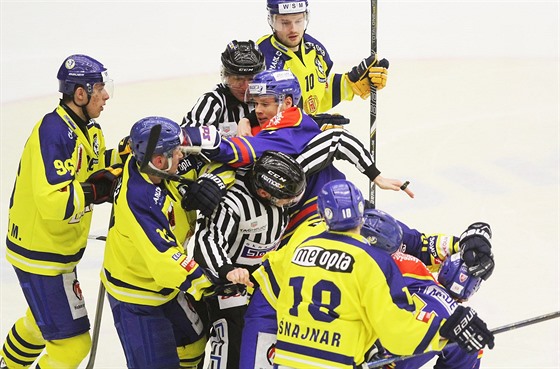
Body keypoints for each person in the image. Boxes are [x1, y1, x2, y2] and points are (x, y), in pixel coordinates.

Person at [246, 179, 494, 368]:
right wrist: (444, 330)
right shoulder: (372, 262)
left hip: (287, 354)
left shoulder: (303, 238)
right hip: (338, 361)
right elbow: (398, 331)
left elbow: (262, 285)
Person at [1, 54, 121, 369]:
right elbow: (55, 200)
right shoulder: (53, 132)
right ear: (80, 93)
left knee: (39, 322)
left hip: (56, 248)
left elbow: (91, 170)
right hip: (40, 251)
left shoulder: (89, 131)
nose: (106, 94)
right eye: (99, 88)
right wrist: (96, 191)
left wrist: (123, 154)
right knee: (72, 346)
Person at [100, 116, 236, 369]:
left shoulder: (154, 164)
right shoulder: (140, 201)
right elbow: (166, 260)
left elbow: (223, 161)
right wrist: (211, 285)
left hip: (168, 288)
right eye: (176, 152)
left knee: (194, 345)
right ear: (159, 160)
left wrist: (213, 182)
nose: (182, 156)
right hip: (137, 296)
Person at [194, 150, 306, 369]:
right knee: (229, 351)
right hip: (223, 287)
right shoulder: (232, 203)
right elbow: (207, 239)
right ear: (264, 193)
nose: (291, 201)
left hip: (257, 288)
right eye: (287, 197)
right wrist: (227, 270)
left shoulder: (279, 198)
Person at [253, 0, 387, 117]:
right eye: (285, 23)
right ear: (272, 21)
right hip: (281, 140)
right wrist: (314, 125)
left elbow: (318, 96)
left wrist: (351, 84)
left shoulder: (315, 49)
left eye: (299, 21)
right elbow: (265, 117)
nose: (293, 29)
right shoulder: (262, 58)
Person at [181, 40, 265, 138]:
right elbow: (188, 136)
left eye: (251, 79)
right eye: (238, 79)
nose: (246, 87)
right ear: (226, 77)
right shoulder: (213, 101)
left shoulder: (270, 98)